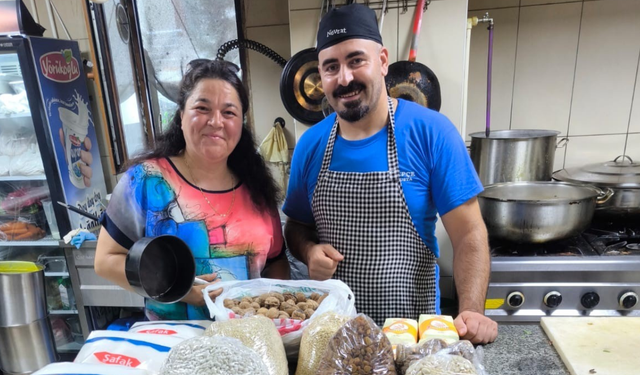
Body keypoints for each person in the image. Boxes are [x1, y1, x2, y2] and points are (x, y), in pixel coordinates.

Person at [282, 4, 497, 344]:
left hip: (413, 340)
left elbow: (469, 234)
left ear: (382, 61)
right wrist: (308, 251)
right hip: (334, 340)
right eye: (331, 67)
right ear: (321, 76)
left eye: (356, 60)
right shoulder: (310, 145)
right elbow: (296, 226)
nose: (345, 78)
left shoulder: (431, 132)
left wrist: (472, 310)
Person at [95, 60, 289, 321]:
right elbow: (106, 260)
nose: (216, 121)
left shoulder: (257, 187)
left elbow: (276, 261)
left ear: (240, 125)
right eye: (202, 108)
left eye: (229, 113)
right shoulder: (147, 180)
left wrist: (276, 316)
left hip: (248, 341)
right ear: (181, 116)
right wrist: (180, 288)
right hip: (174, 345)